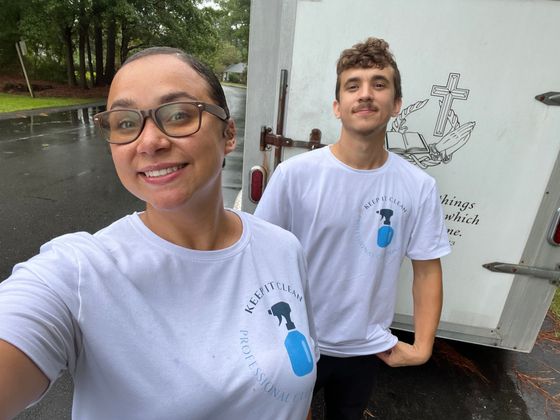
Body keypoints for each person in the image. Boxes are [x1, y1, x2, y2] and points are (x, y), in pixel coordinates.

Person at [0, 47, 318, 420]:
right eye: (125, 123)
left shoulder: (283, 249)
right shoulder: (81, 273)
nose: (149, 142)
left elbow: (293, 390)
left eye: (179, 114)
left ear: (228, 134)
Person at [254, 37, 451, 419]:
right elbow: (258, 256)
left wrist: (423, 346)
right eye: (353, 85)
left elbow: (427, 269)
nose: (365, 94)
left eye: (379, 84)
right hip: (298, 341)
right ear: (337, 107)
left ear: (396, 105)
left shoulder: (417, 186)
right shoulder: (295, 175)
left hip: (367, 347)